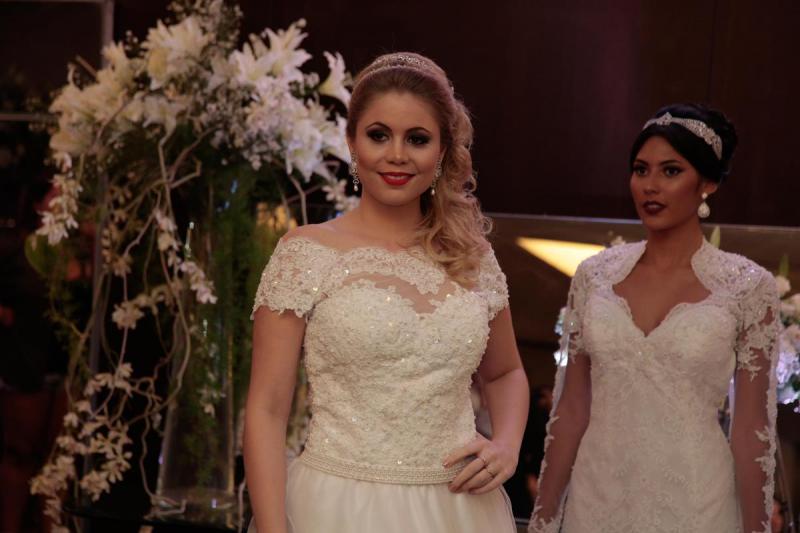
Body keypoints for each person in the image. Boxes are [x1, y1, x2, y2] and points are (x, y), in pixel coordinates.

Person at [244, 52, 528, 533]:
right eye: (379, 135)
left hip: (459, 511)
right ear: (352, 142)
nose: (397, 154)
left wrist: (507, 445)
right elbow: (266, 410)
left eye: (417, 138)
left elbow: (505, 373)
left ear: (442, 150)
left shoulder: (472, 257)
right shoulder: (305, 253)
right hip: (337, 509)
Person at [529, 103, 780, 533]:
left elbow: (751, 430)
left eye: (671, 171)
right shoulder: (594, 276)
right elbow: (570, 410)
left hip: (696, 501)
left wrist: (757, 528)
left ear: (708, 183)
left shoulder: (748, 287)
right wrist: (543, 520)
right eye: (640, 170)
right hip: (597, 496)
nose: (650, 186)